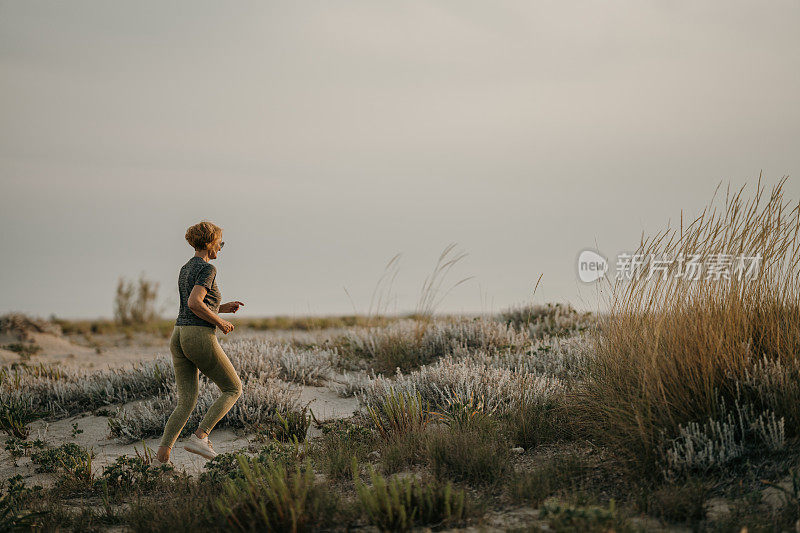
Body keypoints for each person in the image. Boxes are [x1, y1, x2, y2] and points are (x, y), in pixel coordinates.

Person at [156, 221, 245, 464]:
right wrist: (220, 322)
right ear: (209, 243)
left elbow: (194, 304)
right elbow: (195, 303)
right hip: (197, 335)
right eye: (220, 243)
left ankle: (160, 461)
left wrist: (222, 308)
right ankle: (200, 437)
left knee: (186, 401)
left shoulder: (185, 268)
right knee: (233, 388)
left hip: (179, 334)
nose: (221, 247)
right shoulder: (208, 269)